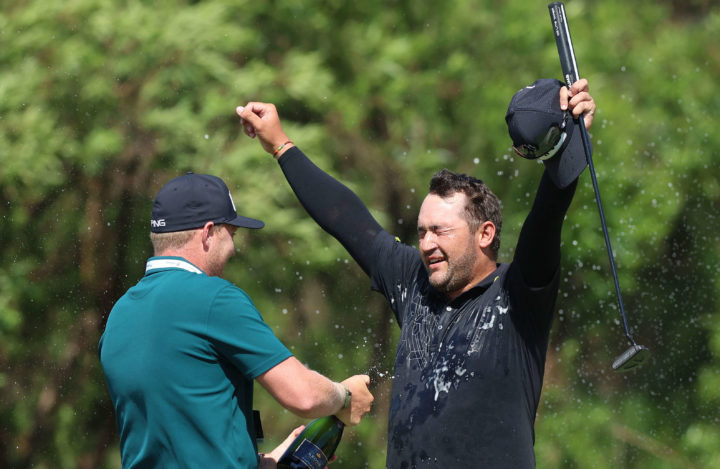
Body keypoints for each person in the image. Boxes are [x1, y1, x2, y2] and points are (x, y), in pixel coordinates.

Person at [236, 77, 596, 468]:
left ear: (485, 234)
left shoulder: (519, 293)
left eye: (440, 231)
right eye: (422, 231)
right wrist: (280, 145)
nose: (426, 244)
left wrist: (566, 141)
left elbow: (547, 215)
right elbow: (345, 219)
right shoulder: (414, 282)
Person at [98, 172, 374, 468]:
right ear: (207, 233)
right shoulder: (213, 297)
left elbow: (170, 431)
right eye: (231, 234)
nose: (233, 248)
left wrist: (261, 462)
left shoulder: (119, 313)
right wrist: (344, 396)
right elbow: (304, 396)